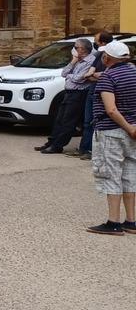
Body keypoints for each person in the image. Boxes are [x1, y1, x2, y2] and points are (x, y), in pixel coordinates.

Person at [86, 41, 136, 236]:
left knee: (111, 173)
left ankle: (113, 222)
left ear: (108, 58)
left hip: (112, 132)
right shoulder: (134, 73)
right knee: (130, 173)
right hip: (133, 131)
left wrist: (128, 128)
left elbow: (111, 109)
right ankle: (131, 220)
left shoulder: (108, 76)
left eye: (103, 55)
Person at [37, 38, 94, 155]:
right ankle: (51, 142)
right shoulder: (77, 60)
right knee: (59, 119)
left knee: (68, 121)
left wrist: (71, 76)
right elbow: (64, 73)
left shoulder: (90, 61)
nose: (74, 49)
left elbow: (80, 78)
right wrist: (73, 62)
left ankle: (58, 146)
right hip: (68, 93)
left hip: (78, 94)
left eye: (76, 47)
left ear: (83, 49)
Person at [73, 31, 113, 161]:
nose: (94, 44)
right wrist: (98, 75)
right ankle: (84, 148)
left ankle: (91, 150)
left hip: (103, 92)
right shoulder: (97, 55)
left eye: (96, 42)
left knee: (97, 122)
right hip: (92, 91)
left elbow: (109, 75)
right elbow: (87, 75)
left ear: (103, 43)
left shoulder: (111, 57)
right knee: (87, 121)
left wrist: (96, 75)